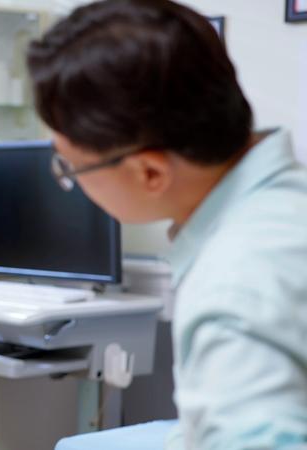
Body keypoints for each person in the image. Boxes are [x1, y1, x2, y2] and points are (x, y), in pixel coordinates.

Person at [26, 1, 307, 448]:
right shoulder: (289, 201)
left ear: (150, 173)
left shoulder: (236, 287)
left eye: (70, 168)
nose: (72, 182)